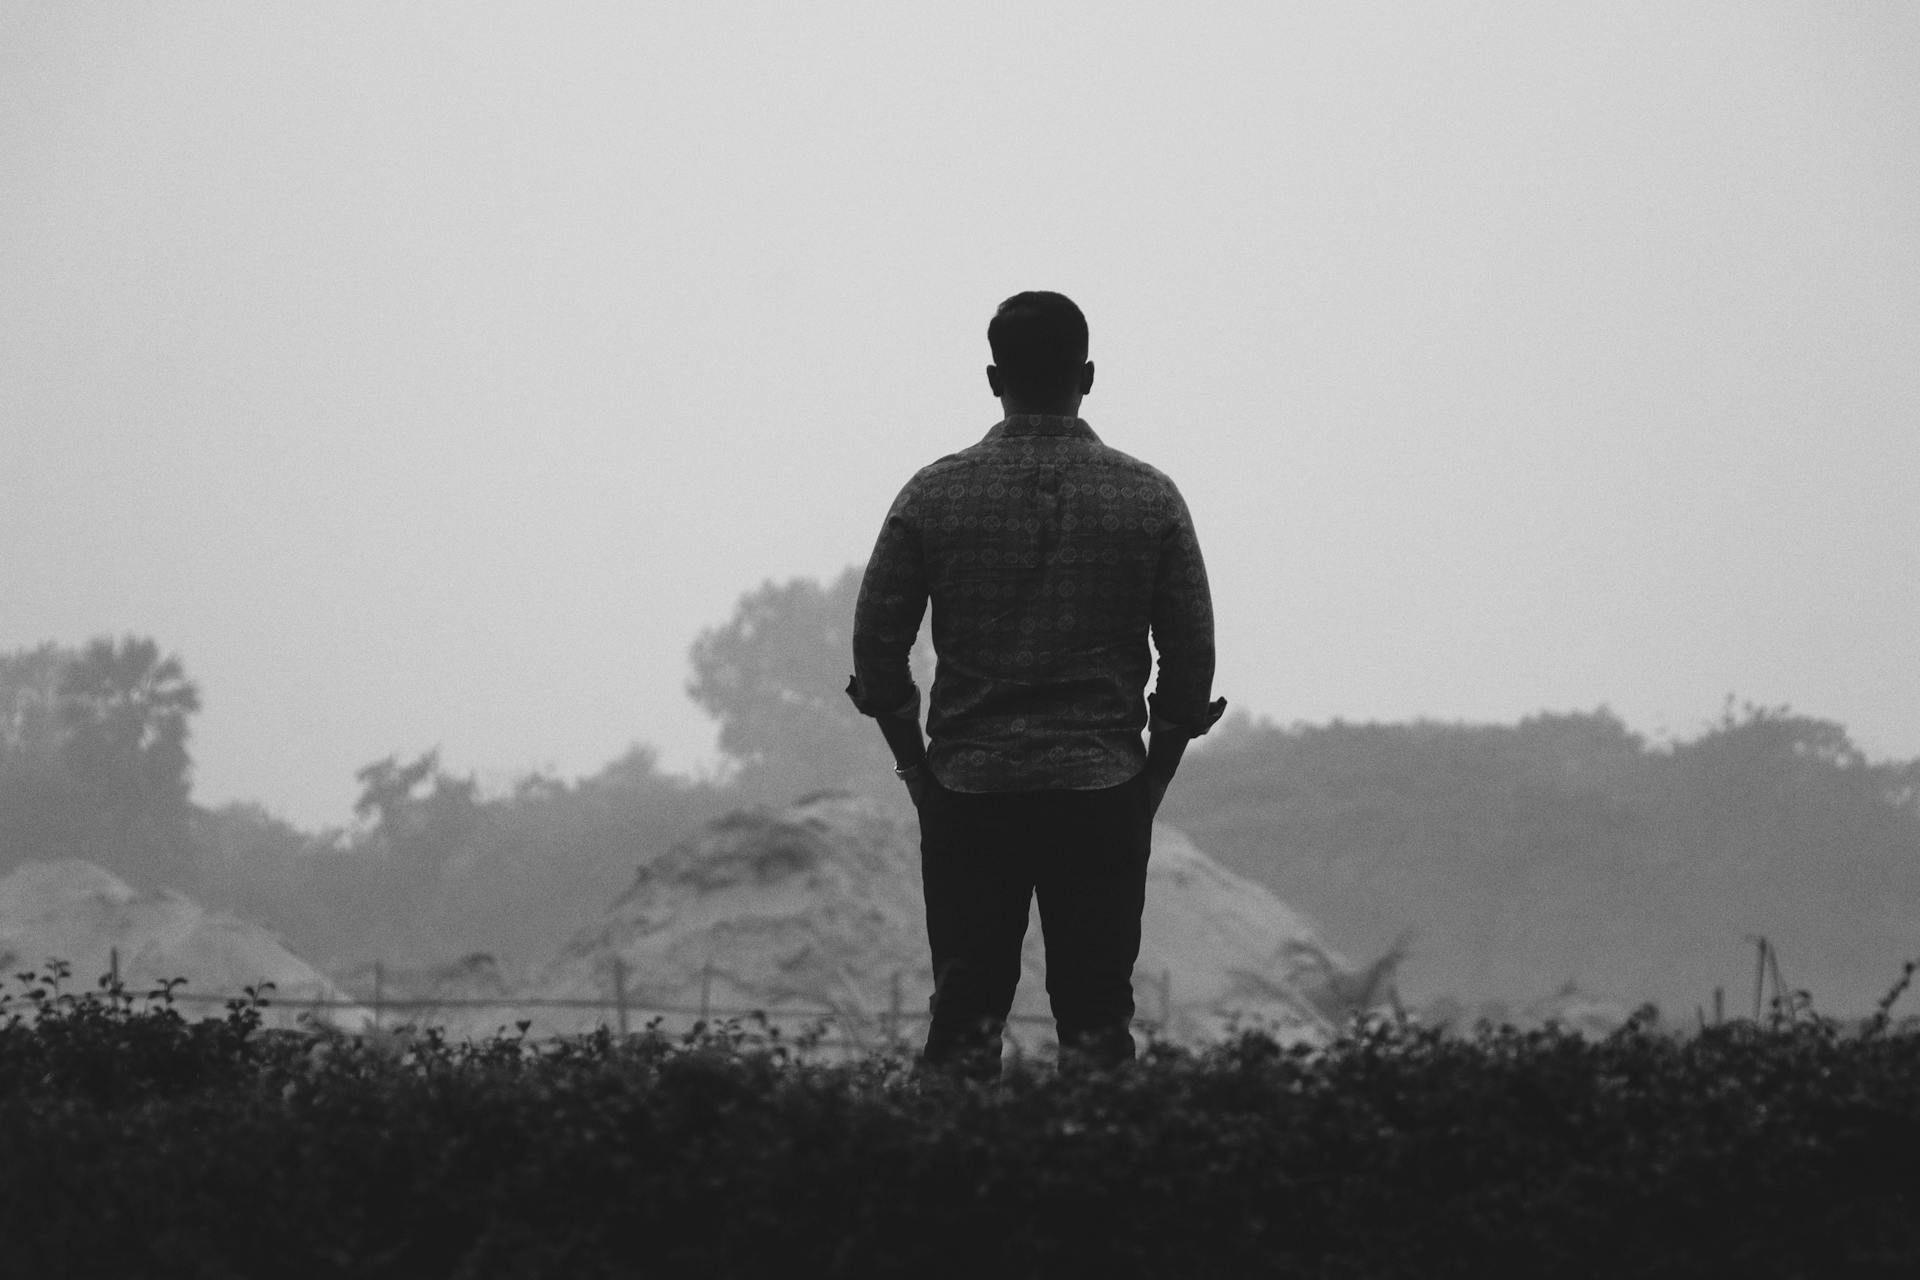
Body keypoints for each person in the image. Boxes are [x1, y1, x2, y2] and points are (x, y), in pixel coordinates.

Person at [847, 290, 1225, 1080]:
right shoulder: (1148, 498)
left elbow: (878, 655)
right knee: (1097, 1026)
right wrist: (1150, 780)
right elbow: (1190, 663)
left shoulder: (933, 495)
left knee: (962, 1023)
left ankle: (949, 1192)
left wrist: (917, 771)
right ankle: (1094, 1194)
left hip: (970, 792)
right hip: (1100, 793)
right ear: (1088, 375)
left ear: (994, 379)